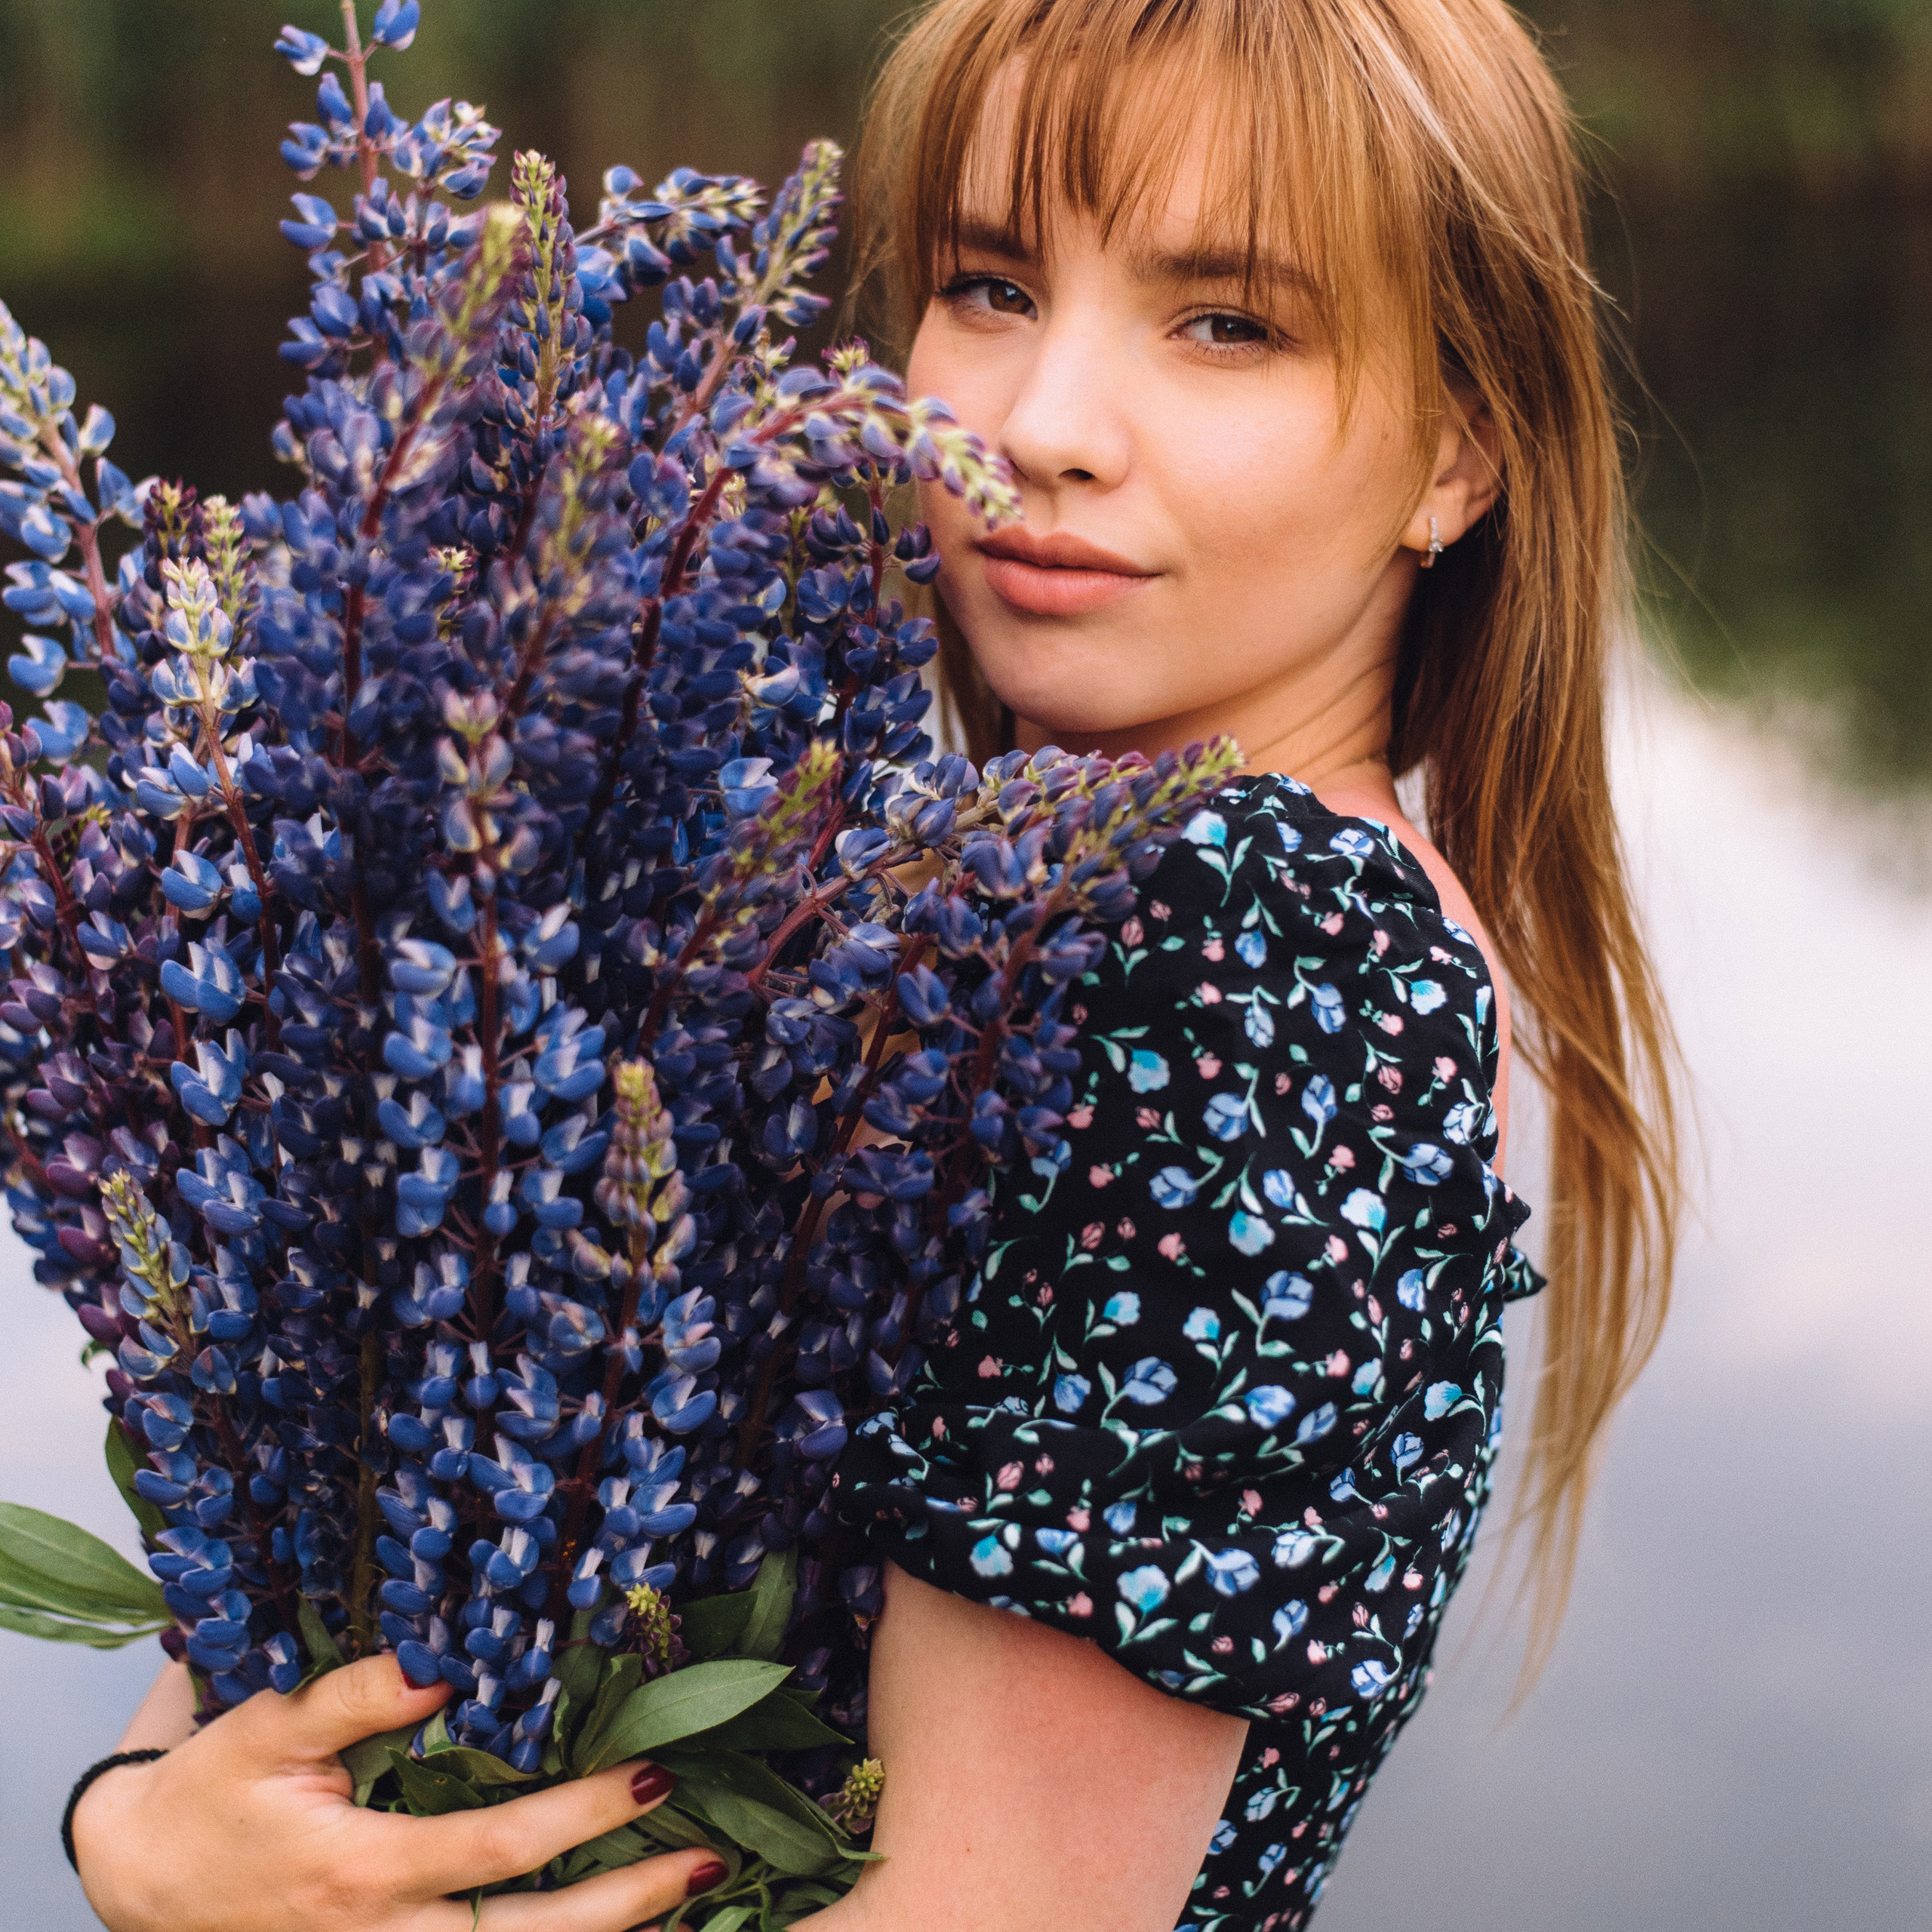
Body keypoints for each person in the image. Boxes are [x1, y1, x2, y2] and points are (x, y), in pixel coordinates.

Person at [69, 2, 1679, 1928]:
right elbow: (328, 1544)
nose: (1039, 429)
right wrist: (143, 1824)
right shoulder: (943, 880)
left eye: (1224, 319)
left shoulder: (1257, 934)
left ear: (1459, 448)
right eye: (988, 284)